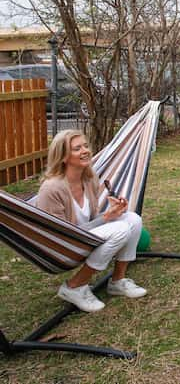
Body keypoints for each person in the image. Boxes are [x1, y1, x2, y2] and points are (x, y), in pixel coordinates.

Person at [36, 130, 147, 312]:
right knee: (120, 229)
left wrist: (111, 212)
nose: (85, 150)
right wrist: (106, 218)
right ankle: (74, 286)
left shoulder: (89, 179)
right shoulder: (51, 189)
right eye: (77, 148)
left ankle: (117, 281)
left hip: (84, 237)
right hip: (63, 246)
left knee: (132, 219)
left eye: (85, 146)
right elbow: (59, 234)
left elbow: (90, 220)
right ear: (63, 156)